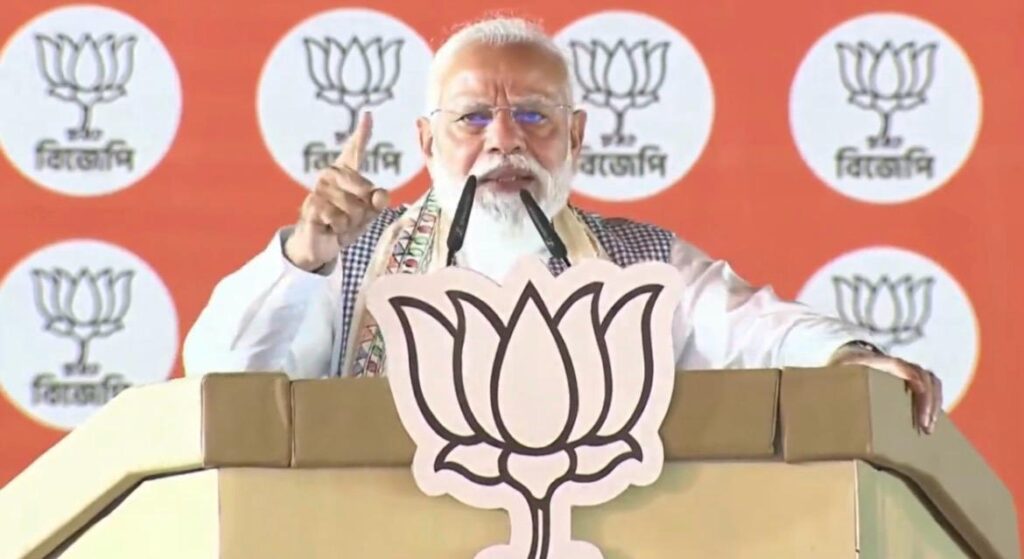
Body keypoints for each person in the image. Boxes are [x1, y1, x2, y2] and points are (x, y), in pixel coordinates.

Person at [182, 16, 942, 433]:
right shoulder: (350, 262)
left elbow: (757, 329)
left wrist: (847, 357)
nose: (503, 142)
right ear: (426, 143)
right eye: (472, 117)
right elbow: (220, 379)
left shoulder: (639, 261)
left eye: (533, 116)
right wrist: (303, 256)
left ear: (575, 137)